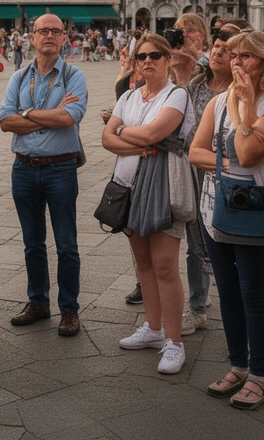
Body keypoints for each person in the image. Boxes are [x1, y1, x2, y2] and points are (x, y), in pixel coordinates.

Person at [188, 30, 264, 410]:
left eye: (247, 56)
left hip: (255, 211)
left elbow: (248, 153)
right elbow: (195, 151)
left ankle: (260, 376)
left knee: (254, 292)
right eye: (235, 55)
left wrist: (246, 106)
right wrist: (224, 164)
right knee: (226, 290)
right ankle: (238, 365)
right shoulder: (216, 103)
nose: (238, 62)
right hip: (214, 209)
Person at [102, 33, 194, 374]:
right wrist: (131, 137)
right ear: (135, 62)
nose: (148, 61)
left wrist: (124, 131)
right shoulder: (129, 95)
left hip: (163, 186)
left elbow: (155, 133)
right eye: (142, 56)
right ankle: (153, 329)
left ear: (168, 60)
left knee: (165, 264)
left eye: (156, 55)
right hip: (128, 184)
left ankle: (174, 342)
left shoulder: (178, 95)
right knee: (143, 264)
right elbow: (105, 139)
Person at [0, 13, 88, 336]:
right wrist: (47, 114)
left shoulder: (74, 76)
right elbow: (5, 121)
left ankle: (69, 309)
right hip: (23, 168)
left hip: (61, 168)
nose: (49, 35)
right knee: (32, 242)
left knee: (66, 243)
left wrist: (27, 114)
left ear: (64, 38)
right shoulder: (19, 77)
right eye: (43, 31)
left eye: (56, 31)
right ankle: (38, 301)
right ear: (31, 38)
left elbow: (69, 119)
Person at [178, 22, 240, 333]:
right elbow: (185, 131)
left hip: (231, 178)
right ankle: (197, 307)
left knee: (235, 243)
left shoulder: (241, 93)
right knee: (196, 242)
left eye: (225, 50)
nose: (217, 52)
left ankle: (241, 306)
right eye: (215, 48)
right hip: (195, 173)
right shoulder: (195, 87)